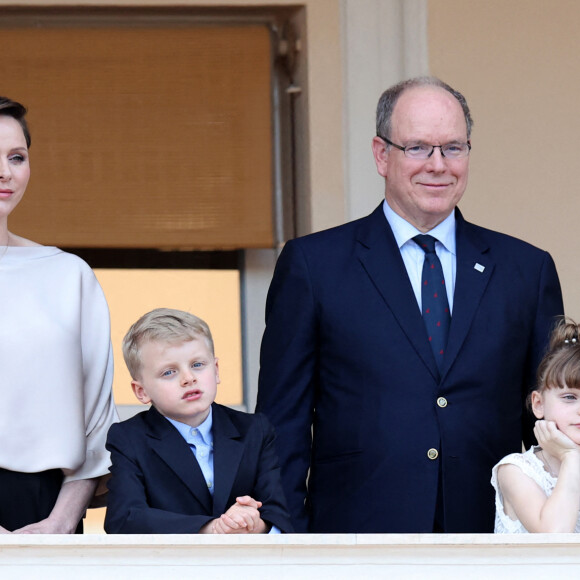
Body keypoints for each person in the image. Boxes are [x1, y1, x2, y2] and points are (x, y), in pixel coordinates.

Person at [256, 76, 564, 533]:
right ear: (382, 155)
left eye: (453, 148)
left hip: (490, 538)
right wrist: (288, 543)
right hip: (356, 538)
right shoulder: (313, 265)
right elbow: (282, 423)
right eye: (418, 148)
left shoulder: (526, 269)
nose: (438, 165)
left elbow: (554, 415)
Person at [0, 96, 118, 533]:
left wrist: (62, 520)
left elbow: (97, 416)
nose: (5, 173)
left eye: (17, 157)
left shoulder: (68, 274)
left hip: (47, 511)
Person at [104, 308, 292, 534]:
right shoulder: (129, 438)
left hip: (244, 565)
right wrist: (212, 529)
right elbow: (124, 519)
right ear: (141, 391)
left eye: (197, 365)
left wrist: (252, 524)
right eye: (169, 372)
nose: (188, 378)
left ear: (216, 370)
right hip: (169, 566)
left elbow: (277, 514)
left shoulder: (255, 430)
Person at [491, 318, 580, 533]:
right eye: (569, 397)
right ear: (538, 404)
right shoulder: (516, 470)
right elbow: (553, 537)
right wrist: (570, 457)